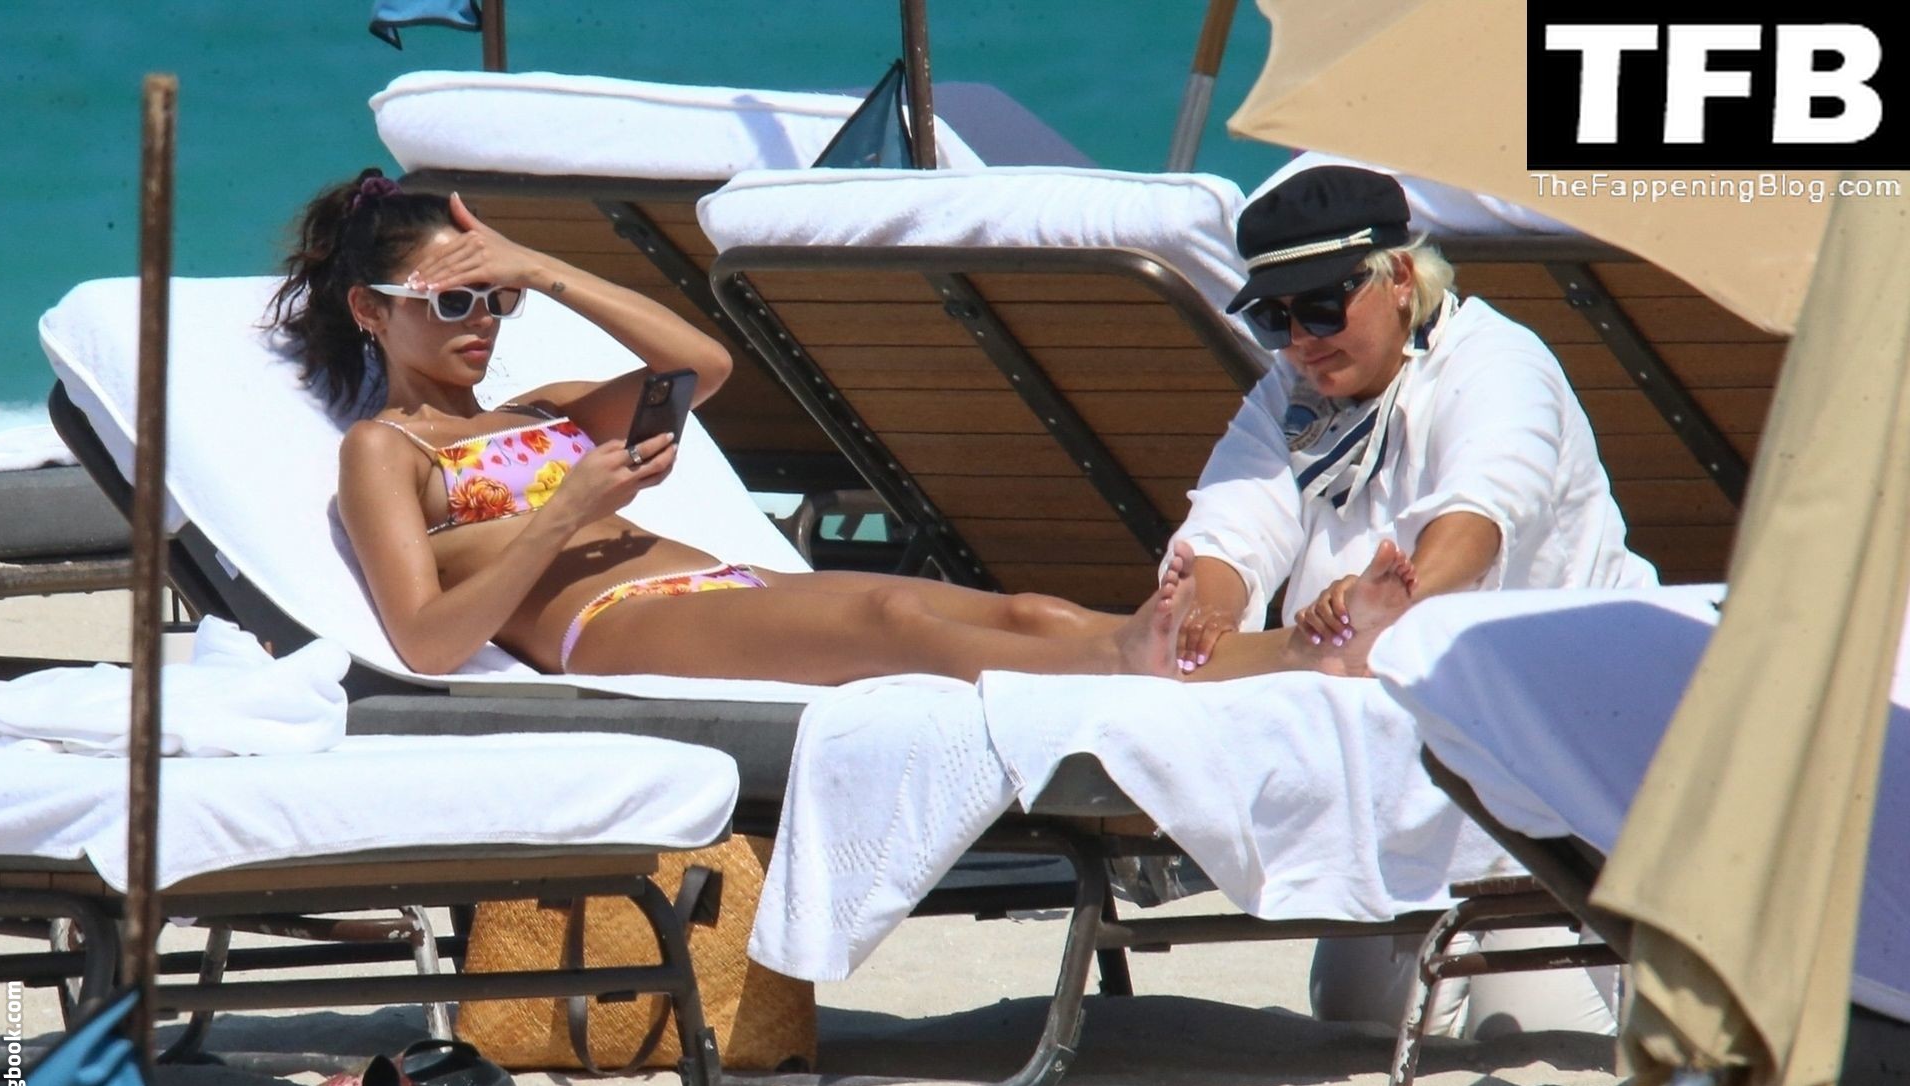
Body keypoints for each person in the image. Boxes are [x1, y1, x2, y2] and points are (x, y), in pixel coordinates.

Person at [270, 169, 1411, 684]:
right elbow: (427, 641)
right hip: (612, 626)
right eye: (451, 301)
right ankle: (1147, 659)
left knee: (1026, 609)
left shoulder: (544, 408)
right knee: (890, 613)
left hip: (713, 584)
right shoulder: (386, 453)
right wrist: (565, 512)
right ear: (371, 312)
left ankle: (1299, 654)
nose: (481, 321)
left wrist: (546, 268)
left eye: (493, 299)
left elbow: (701, 365)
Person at [1167, 165, 1656, 675]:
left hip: (1574, 672)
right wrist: (1209, 615)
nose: (1299, 339)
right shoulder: (1290, 386)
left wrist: (1392, 600)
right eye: (1271, 317)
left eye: (1321, 306)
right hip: (1372, 677)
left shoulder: (1496, 358)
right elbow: (1232, 524)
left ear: (1399, 277)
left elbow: (1481, 514)